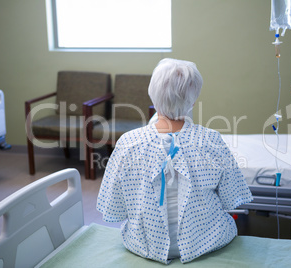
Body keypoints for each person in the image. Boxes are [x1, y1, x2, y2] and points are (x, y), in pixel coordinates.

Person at [97, 58, 253, 264]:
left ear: (152, 95)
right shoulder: (211, 140)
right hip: (206, 242)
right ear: (194, 100)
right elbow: (230, 198)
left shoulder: (128, 143)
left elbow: (114, 206)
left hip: (144, 244)